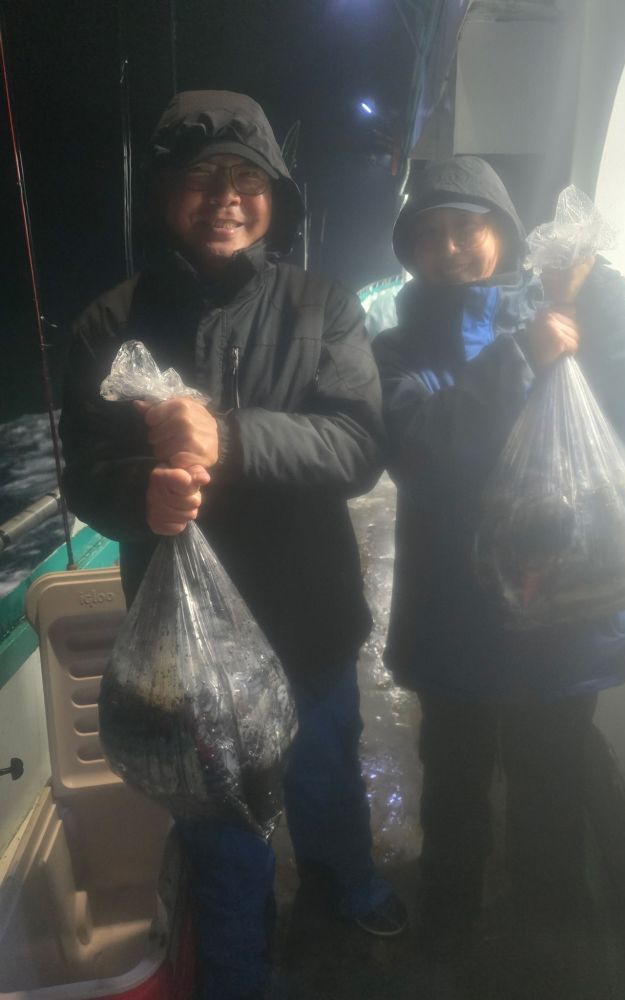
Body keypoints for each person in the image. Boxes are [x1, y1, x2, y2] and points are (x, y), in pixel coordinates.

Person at [60, 90, 407, 1000]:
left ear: (272, 197)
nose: (225, 195)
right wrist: (144, 491)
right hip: (187, 652)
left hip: (310, 618)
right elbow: (83, 472)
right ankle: (238, 977)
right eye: (200, 176)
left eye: (245, 176)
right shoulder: (109, 324)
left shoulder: (322, 308)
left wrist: (232, 437)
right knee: (219, 824)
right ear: (166, 193)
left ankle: (346, 883)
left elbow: (359, 445)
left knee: (327, 774)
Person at [372, 156, 625, 949]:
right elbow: (418, 455)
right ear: (410, 254)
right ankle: (449, 928)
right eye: (429, 234)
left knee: (555, 782)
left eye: (467, 228)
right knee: (454, 785)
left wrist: (600, 298)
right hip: (456, 621)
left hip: (568, 617)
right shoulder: (398, 350)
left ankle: (553, 934)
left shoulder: (573, 309)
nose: (448, 247)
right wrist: (519, 357)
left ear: (506, 236)